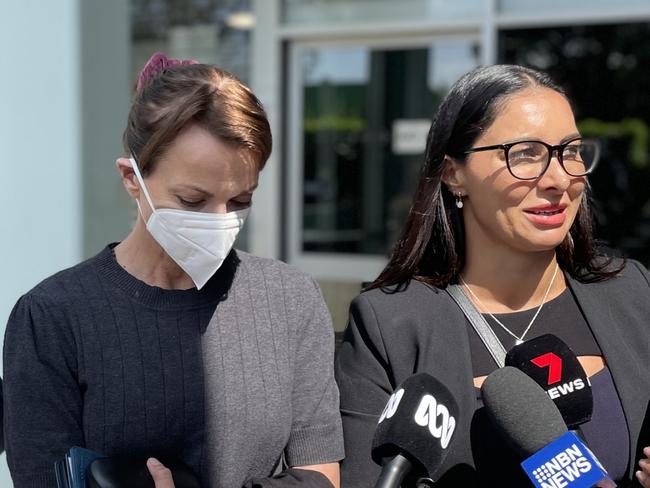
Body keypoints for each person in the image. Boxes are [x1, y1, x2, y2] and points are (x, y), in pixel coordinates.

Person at [3, 52, 343, 488]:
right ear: (132, 178)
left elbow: (321, 475)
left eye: (240, 200)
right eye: (192, 200)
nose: (221, 220)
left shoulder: (291, 299)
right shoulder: (52, 316)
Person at [334, 64, 650, 487]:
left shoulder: (633, 294)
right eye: (525, 154)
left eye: (570, 151)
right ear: (453, 174)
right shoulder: (389, 326)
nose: (558, 179)